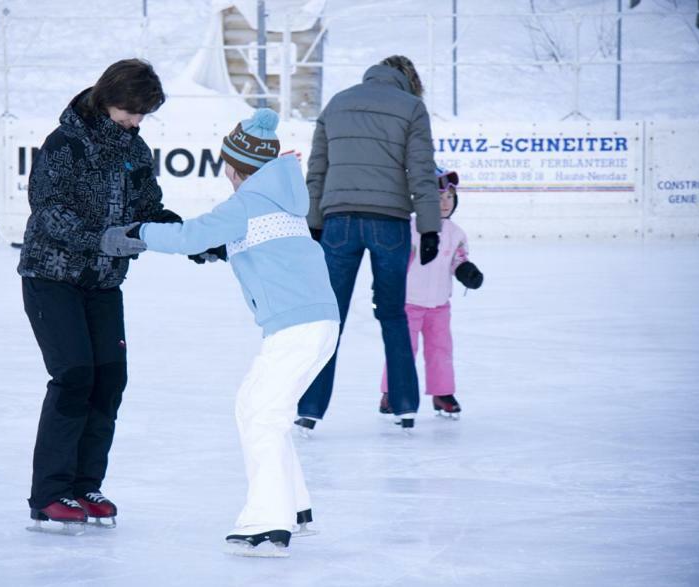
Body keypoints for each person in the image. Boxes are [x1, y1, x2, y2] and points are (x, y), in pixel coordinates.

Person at [118, 108, 340, 557]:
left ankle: (267, 523)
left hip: (295, 325)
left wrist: (137, 232)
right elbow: (270, 246)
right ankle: (294, 508)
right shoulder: (284, 198)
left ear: (235, 169)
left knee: (261, 414)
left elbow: (187, 235)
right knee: (260, 409)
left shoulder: (247, 201)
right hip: (318, 322)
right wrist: (224, 249)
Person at [17, 59, 182, 532]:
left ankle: (86, 484)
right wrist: (103, 238)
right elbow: (48, 212)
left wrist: (191, 239)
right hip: (52, 276)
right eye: (131, 111)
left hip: (103, 283)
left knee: (109, 379)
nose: (136, 121)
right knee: (74, 376)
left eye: (143, 114)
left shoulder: (135, 149)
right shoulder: (65, 143)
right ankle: (50, 493)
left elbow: (149, 209)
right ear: (108, 97)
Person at [296, 55, 442, 434]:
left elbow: (317, 171)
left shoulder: (337, 103)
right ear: (409, 81)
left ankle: (309, 409)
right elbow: (422, 172)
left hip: (339, 222)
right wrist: (429, 228)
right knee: (393, 316)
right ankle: (404, 406)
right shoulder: (412, 108)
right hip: (390, 223)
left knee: (331, 318)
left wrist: (314, 222)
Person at [378, 168, 484, 420]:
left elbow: (459, 259)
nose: (445, 203)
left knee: (441, 350)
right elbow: (398, 261)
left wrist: (467, 271)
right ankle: (391, 393)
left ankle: (442, 393)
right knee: (403, 350)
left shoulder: (456, 233)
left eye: (449, 197)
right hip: (408, 304)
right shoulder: (411, 229)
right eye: (438, 198)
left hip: (439, 305)